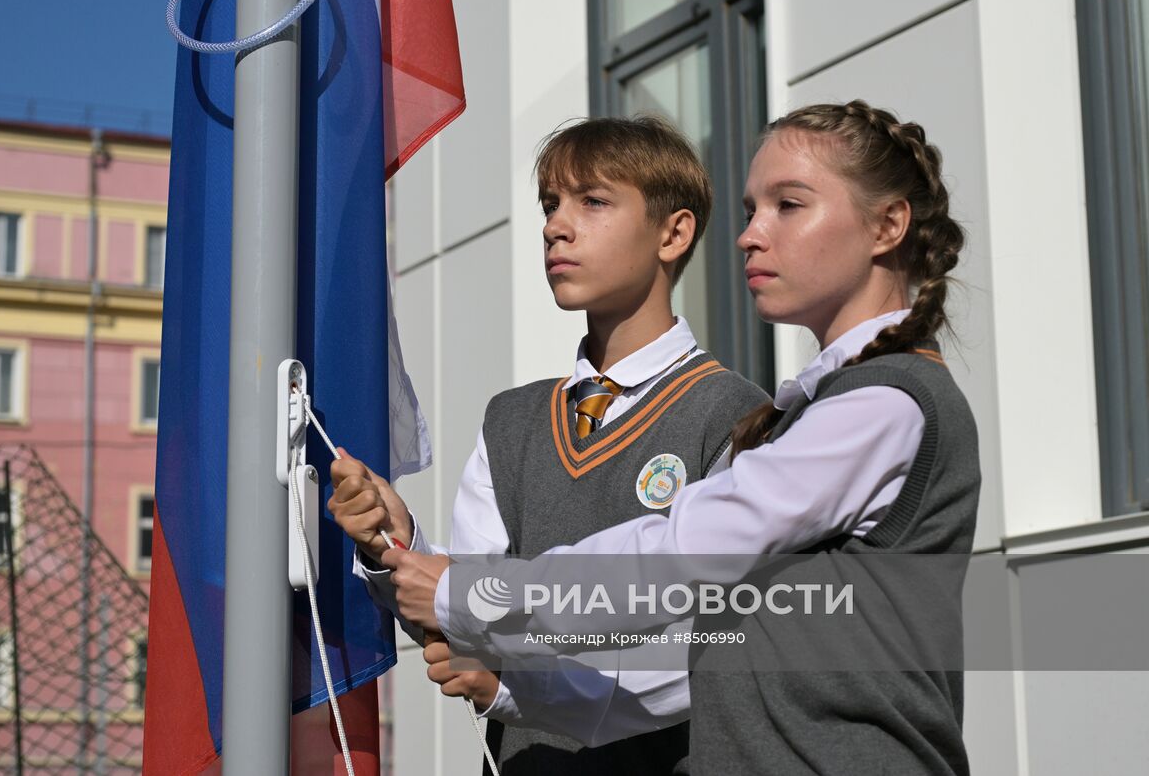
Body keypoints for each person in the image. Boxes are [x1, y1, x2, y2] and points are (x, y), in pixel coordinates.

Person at [382, 100, 982, 776]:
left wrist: (470, 593)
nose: (749, 235)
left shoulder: (883, 403)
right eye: (752, 210)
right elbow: (697, 658)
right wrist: (515, 687)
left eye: (788, 205)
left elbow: (680, 552)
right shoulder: (828, 407)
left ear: (888, 225)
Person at [327, 115, 770, 774]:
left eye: (592, 201)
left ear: (673, 233)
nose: (556, 226)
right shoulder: (511, 420)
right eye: (549, 204)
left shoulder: (736, 415)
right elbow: (461, 611)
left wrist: (519, 682)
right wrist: (396, 546)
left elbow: (712, 645)